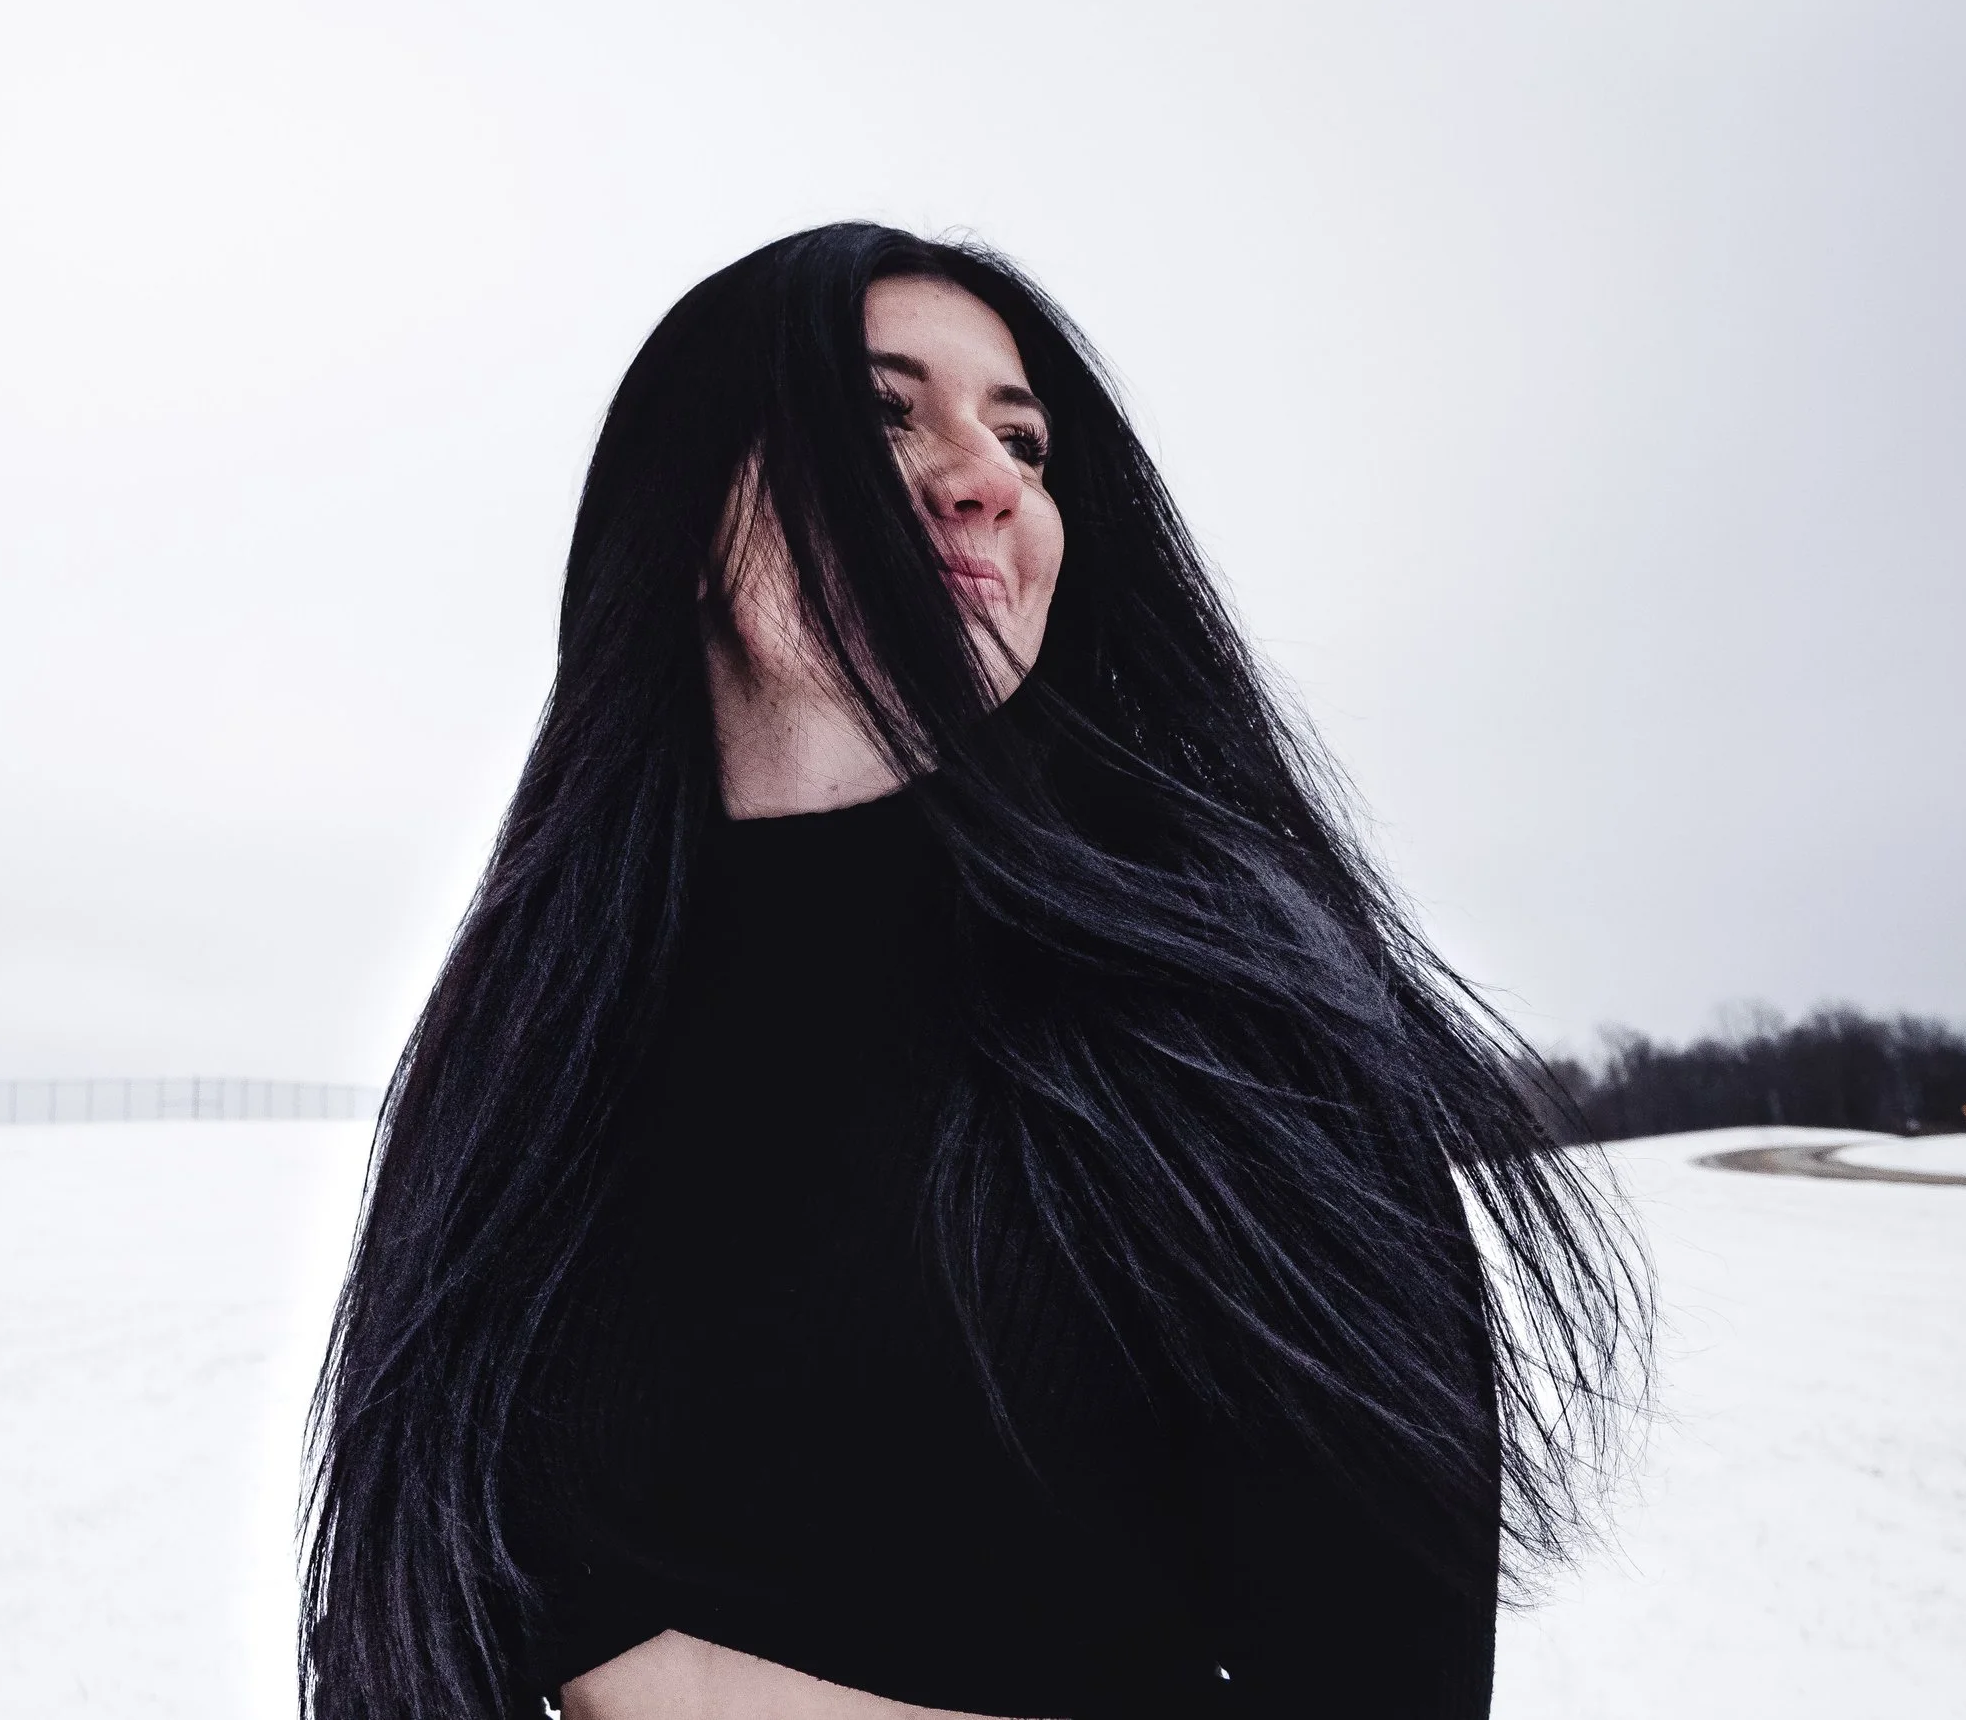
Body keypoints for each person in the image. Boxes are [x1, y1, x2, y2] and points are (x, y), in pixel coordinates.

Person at [301, 224, 1646, 1720]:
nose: (989, 475)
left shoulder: (1229, 1023)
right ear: (684, 513)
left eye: (1026, 439)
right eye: (885, 411)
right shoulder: (542, 1040)